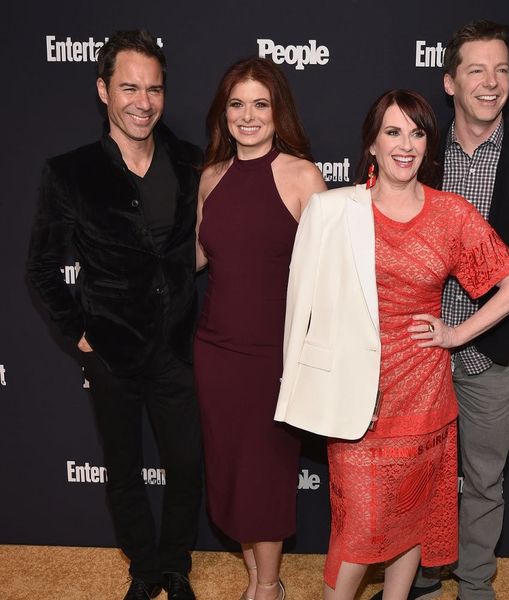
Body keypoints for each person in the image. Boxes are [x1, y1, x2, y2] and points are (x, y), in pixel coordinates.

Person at [275, 89, 509, 600]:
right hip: (357, 395)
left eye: (417, 133)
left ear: (428, 144)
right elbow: (302, 305)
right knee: (357, 530)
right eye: (393, 132)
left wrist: (455, 334)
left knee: (412, 517)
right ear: (372, 143)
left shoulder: (450, 213)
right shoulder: (333, 210)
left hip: (425, 393)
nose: (406, 144)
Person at [390, 20, 509, 600]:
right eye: (476, 70)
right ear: (450, 82)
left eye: (502, 69)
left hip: (492, 355)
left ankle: (475, 583)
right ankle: (422, 577)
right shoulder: (418, 155)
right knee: (417, 477)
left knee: (483, 480)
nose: (491, 82)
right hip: (418, 353)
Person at [26, 30, 203, 600]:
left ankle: (175, 565)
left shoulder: (191, 161)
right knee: (123, 469)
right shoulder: (70, 173)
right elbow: (42, 266)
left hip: (177, 347)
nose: (143, 102)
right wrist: (79, 332)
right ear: (104, 90)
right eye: (129, 88)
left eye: (154, 89)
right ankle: (144, 568)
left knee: (186, 464)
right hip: (111, 350)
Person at [193, 56, 326, 600]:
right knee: (230, 471)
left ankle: (268, 587)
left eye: (260, 104)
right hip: (215, 351)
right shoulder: (210, 177)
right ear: (223, 113)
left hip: (274, 356)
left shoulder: (303, 175)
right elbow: (196, 256)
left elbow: (330, 274)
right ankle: (255, 578)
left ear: (278, 112)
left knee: (264, 476)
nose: (248, 116)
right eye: (237, 104)